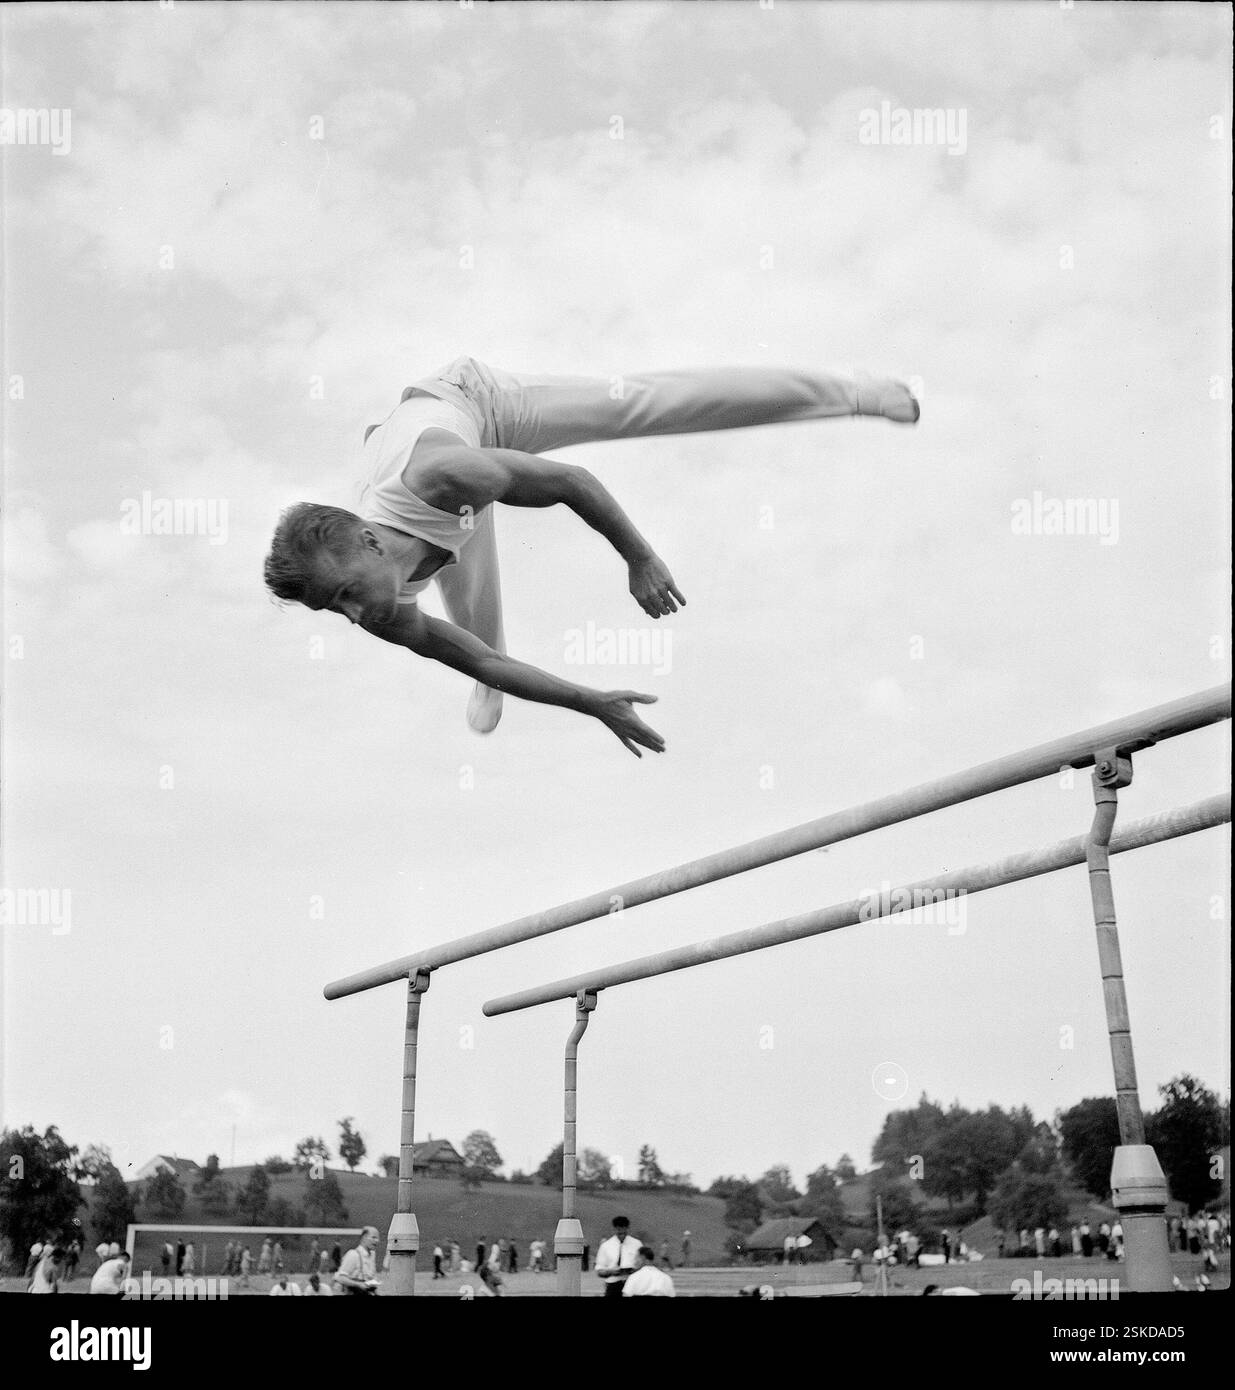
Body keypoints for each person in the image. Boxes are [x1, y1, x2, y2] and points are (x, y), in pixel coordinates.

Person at [264, 356, 920, 755]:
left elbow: (571, 482)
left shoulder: (442, 478)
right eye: (335, 610)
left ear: (371, 543)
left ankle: (847, 393)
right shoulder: (382, 604)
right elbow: (488, 658)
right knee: (478, 644)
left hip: (475, 406)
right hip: (411, 484)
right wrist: (592, 701)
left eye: (347, 594)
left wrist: (638, 558)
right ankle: (381, 439)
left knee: (634, 404)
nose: (353, 617)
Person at [596, 1216, 641, 1298]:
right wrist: (610, 1272)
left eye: (624, 1233)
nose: (622, 1235)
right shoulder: (606, 1246)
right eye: (619, 1233)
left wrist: (634, 1270)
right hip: (613, 1285)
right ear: (614, 1229)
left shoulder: (637, 1244)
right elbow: (599, 1270)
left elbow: (643, 1265)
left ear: (628, 1228)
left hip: (633, 1284)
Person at [333, 1226, 381, 1295]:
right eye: (373, 1237)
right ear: (364, 1237)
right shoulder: (353, 1254)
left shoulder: (372, 1255)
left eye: (377, 1238)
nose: (377, 1240)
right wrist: (358, 1284)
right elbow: (341, 1277)